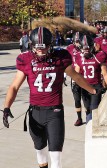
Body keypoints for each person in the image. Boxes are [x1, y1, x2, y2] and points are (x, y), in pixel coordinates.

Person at [2, 27, 97, 168]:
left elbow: (76, 76)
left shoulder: (61, 58)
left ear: (50, 45)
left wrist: (93, 91)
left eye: (44, 47)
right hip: (35, 112)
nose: (41, 51)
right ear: (31, 45)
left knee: (56, 158)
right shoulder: (26, 59)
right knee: (40, 153)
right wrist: (6, 107)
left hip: (54, 112)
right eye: (37, 48)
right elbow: (14, 86)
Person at [74, 34, 107, 123]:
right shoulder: (79, 57)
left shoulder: (98, 56)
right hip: (85, 87)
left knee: (94, 110)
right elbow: (76, 74)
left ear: (91, 47)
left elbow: (105, 73)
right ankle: (89, 127)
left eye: (87, 49)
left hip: (96, 87)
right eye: (84, 49)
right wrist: (75, 84)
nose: (86, 51)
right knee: (88, 109)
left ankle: (92, 128)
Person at [66, 32, 84, 126]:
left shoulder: (85, 46)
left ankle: (89, 115)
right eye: (76, 41)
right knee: (77, 99)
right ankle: (79, 118)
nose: (77, 43)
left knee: (86, 99)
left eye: (78, 41)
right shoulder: (69, 48)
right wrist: (65, 75)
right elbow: (66, 61)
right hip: (74, 76)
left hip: (85, 76)